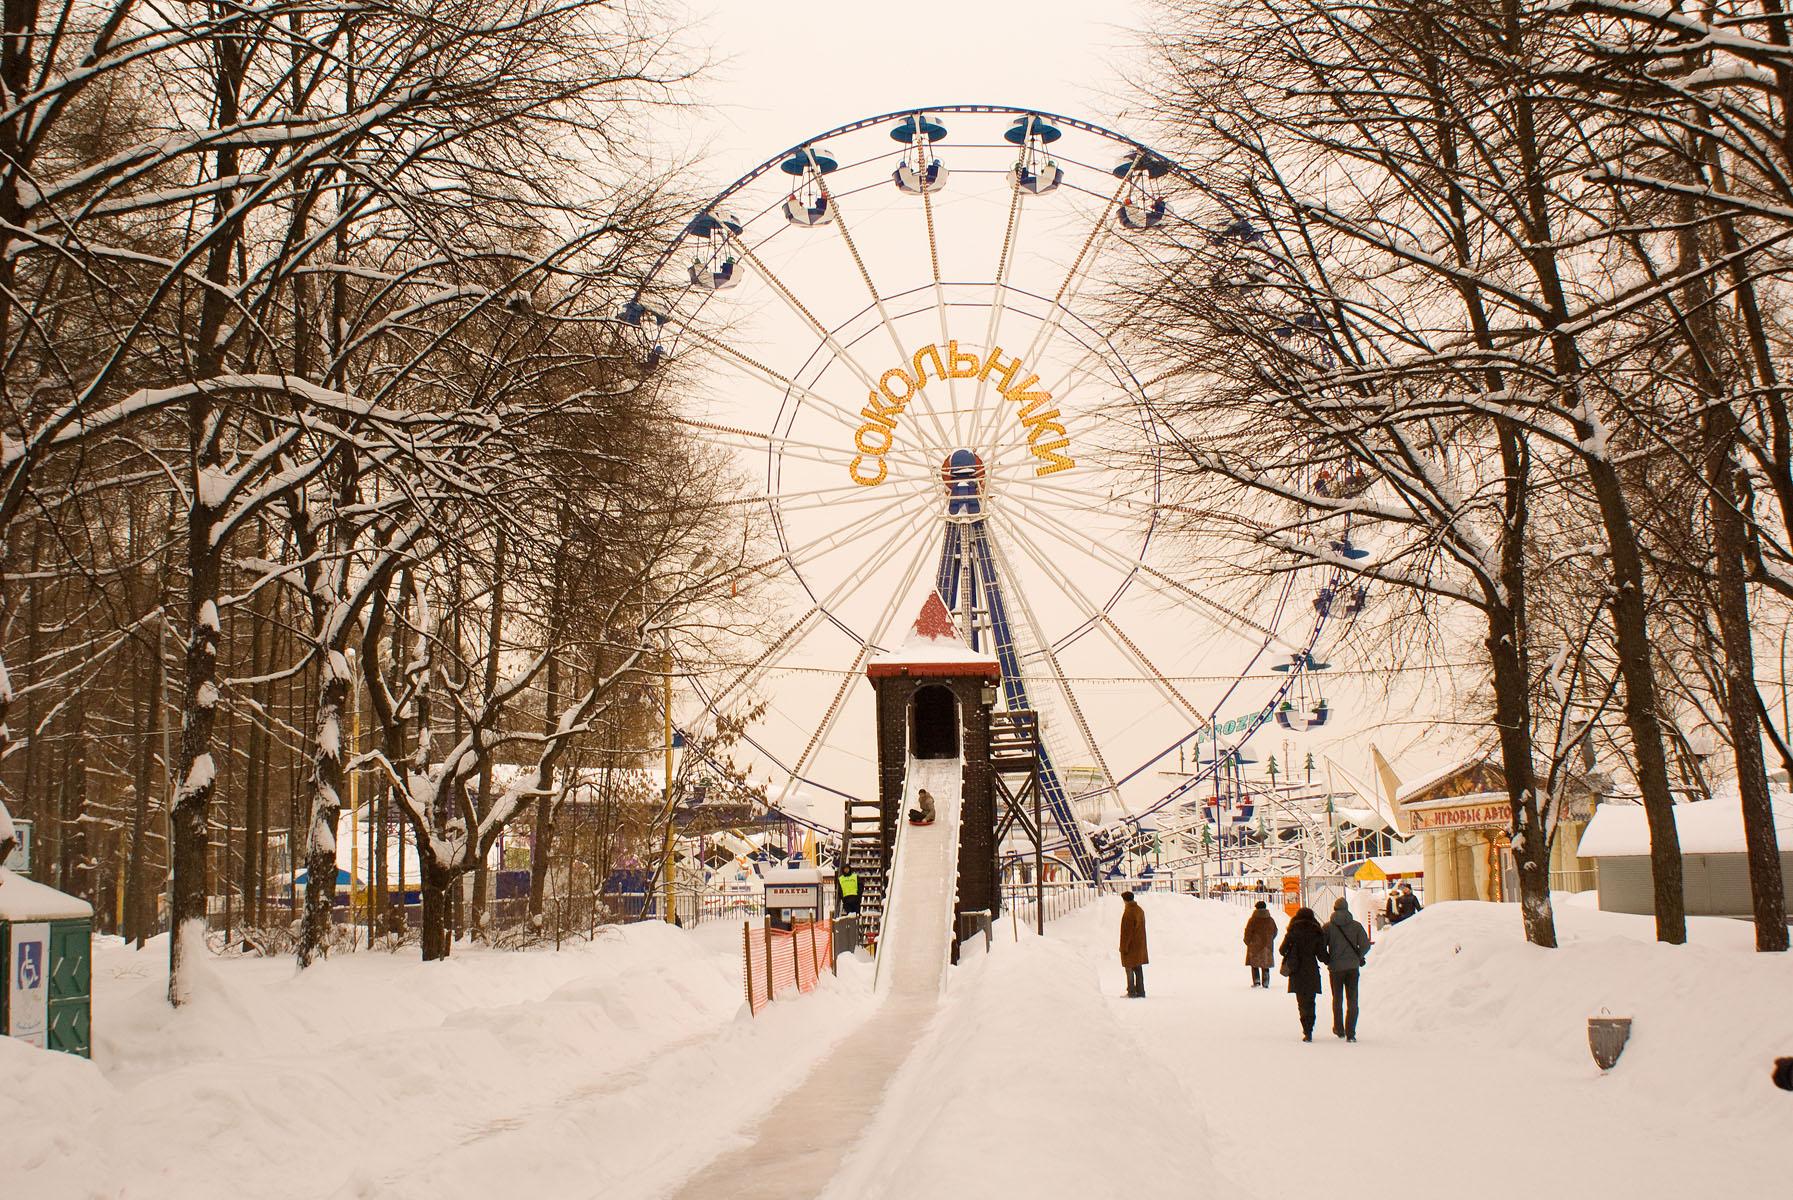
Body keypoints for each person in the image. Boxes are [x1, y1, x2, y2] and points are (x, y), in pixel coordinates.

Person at [1324, 896, 1371, 1042]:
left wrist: (1328, 959)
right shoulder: (1356, 926)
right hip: (1352, 968)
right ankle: (1351, 1033)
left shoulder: (1328, 927)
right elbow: (1366, 945)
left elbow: (1321, 945)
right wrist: (1358, 957)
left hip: (1336, 968)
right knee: (1352, 999)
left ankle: (1339, 1028)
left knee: (1337, 998)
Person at [1278, 906, 1328, 1041]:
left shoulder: (1293, 931)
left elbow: (1282, 950)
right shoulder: (1316, 931)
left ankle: (1306, 1030)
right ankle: (1310, 1027)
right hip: (1311, 969)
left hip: (1297, 970)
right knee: (1311, 1001)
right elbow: (1322, 955)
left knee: (1301, 1002)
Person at [1119, 890, 1149, 998]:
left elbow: (1126, 932)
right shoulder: (1139, 910)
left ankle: (1131, 991)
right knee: (1138, 969)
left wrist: (1123, 947)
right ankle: (1141, 991)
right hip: (1140, 945)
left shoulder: (1128, 912)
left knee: (1129, 968)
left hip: (1131, 946)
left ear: (1125, 900)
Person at [1244, 900, 1277, 988]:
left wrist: (1247, 942)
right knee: (1265, 964)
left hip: (1255, 945)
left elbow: (1248, 932)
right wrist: (1269, 940)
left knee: (1254, 963)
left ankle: (1257, 981)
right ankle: (1266, 982)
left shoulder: (1253, 920)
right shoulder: (1270, 920)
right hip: (1267, 946)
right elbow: (1275, 931)